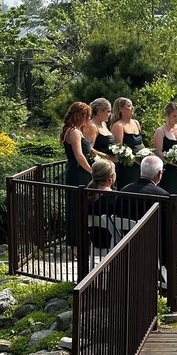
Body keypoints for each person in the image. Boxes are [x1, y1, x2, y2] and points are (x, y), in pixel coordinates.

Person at [119, 156, 177, 301]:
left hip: (129, 244)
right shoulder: (162, 196)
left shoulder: (123, 191)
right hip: (158, 248)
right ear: (160, 174)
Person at [62, 101, 94, 259]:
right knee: (76, 210)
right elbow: (79, 156)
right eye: (87, 116)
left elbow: (88, 151)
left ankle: (76, 246)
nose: (88, 120)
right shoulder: (73, 132)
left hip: (78, 173)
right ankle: (74, 248)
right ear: (80, 116)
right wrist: (92, 171)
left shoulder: (74, 131)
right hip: (78, 174)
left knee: (78, 209)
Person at [152, 102, 177, 219]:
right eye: (174, 116)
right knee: (169, 198)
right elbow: (158, 152)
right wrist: (171, 161)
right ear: (167, 115)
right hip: (168, 171)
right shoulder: (160, 131)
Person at [110, 97, 145, 189]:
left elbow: (141, 142)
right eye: (129, 106)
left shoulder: (136, 123)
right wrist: (134, 159)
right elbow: (118, 150)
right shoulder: (118, 125)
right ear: (121, 109)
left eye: (132, 105)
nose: (132, 108)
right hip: (128, 167)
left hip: (141, 165)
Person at [86, 98, 116, 162]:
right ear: (99, 112)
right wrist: (108, 157)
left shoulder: (104, 124)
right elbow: (88, 148)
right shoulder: (92, 126)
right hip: (100, 165)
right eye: (108, 111)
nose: (110, 114)